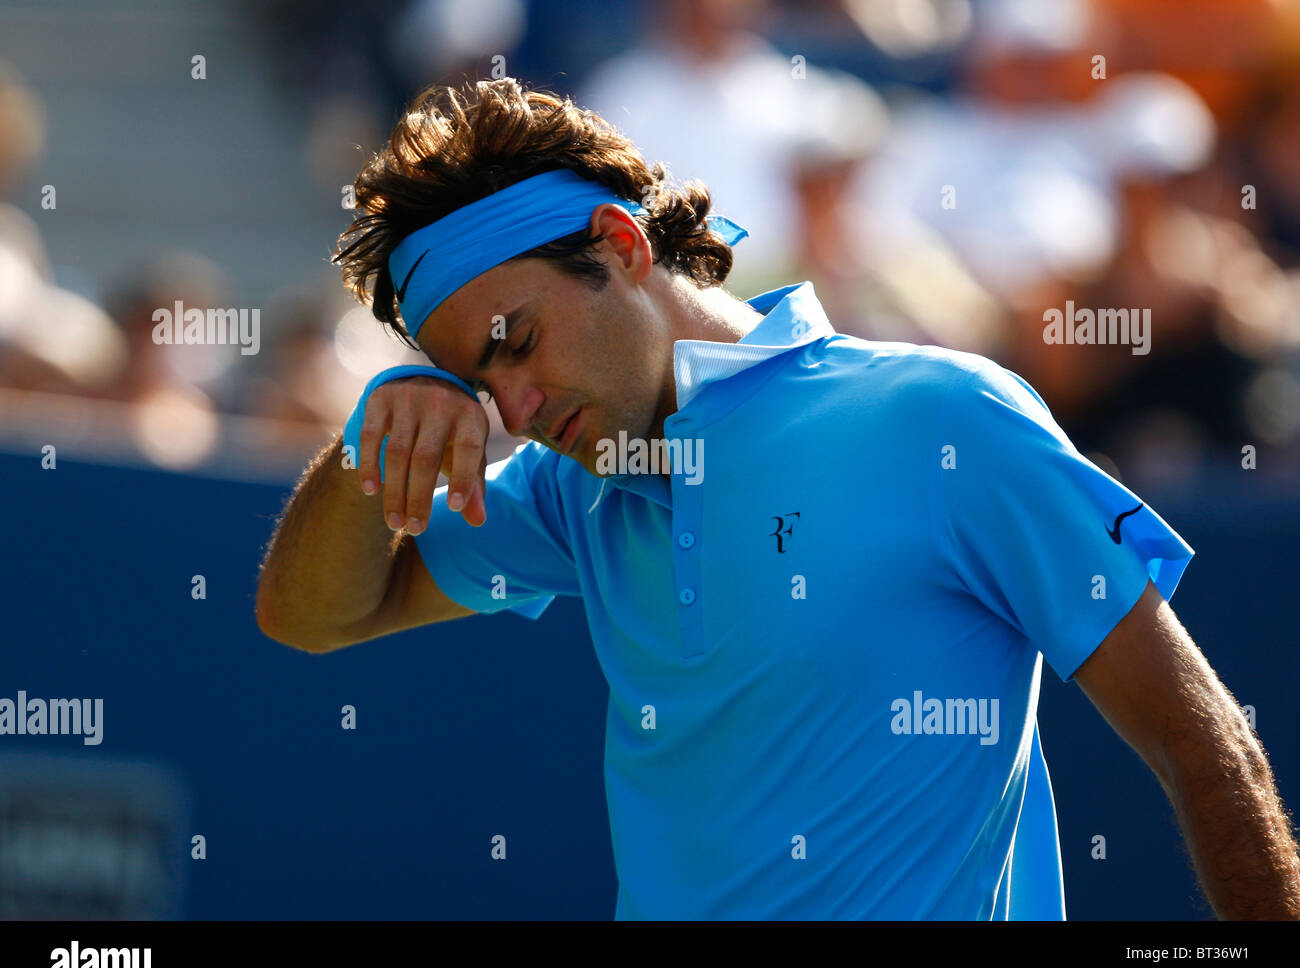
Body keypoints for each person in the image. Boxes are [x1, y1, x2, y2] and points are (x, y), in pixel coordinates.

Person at [255, 78, 1300, 920]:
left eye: (515, 342)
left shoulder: (937, 416)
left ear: (621, 247)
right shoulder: (569, 487)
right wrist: (366, 444)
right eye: (479, 388)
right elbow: (310, 614)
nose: (515, 408)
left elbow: (1197, 733)